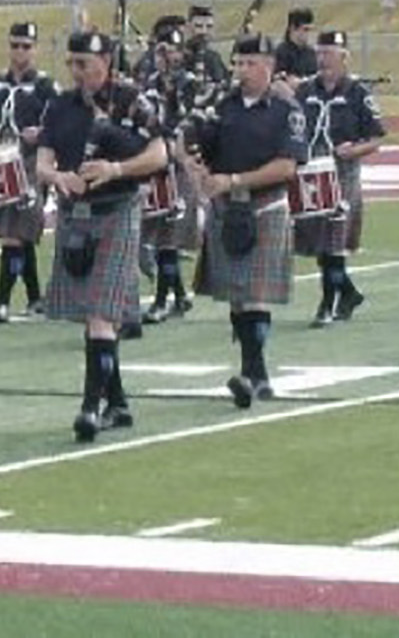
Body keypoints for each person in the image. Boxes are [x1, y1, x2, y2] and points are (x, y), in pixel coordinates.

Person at [38, 32, 167, 443]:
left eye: (84, 64)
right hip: (75, 215)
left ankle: (90, 408)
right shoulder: (60, 105)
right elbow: (43, 162)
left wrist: (115, 170)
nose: (77, 72)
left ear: (106, 61)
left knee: (101, 312)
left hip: (117, 209)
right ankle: (118, 404)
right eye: (72, 63)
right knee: (97, 317)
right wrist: (59, 177)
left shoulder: (132, 101)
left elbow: (159, 154)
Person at [192, 35, 303, 409]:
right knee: (238, 296)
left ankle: (256, 374)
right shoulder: (221, 107)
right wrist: (195, 163)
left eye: (249, 63)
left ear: (268, 66)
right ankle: (253, 374)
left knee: (254, 292)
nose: (241, 70)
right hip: (227, 208)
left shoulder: (286, 111)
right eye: (237, 63)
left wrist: (234, 180)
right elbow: (200, 150)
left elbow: (286, 166)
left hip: (265, 206)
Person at [0, 23, 58, 322]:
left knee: (15, 232)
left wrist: (41, 132)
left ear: (35, 48)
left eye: (26, 46)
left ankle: (3, 302)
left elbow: (62, 124)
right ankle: (35, 298)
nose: (20, 52)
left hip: (30, 162)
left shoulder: (45, 86)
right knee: (18, 233)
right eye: (15, 45)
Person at [293, 30, 384, 327]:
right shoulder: (305, 90)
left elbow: (376, 137)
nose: (323, 59)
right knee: (319, 243)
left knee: (333, 241)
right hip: (311, 174)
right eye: (320, 53)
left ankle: (327, 304)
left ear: (344, 57)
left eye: (329, 53)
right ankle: (349, 294)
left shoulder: (358, 93)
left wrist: (354, 150)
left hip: (342, 173)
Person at [138, 26, 205, 325]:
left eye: (171, 50)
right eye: (161, 51)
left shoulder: (189, 83)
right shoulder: (149, 82)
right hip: (156, 161)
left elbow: (186, 118)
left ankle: (161, 300)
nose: (166, 57)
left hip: (179, 162)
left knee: (168, 237)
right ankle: (178, 295)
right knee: (159, 233)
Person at [274, 9, 317, 92]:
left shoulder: (311, 53)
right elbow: (278, 78)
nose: (308, 34)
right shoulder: (281, 52)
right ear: (293, 28)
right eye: (305, 29)